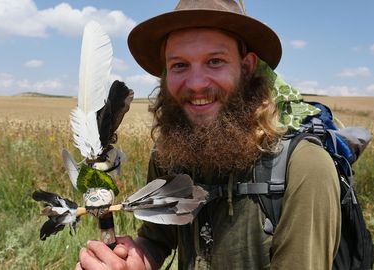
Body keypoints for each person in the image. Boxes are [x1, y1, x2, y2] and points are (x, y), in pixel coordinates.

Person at [76, 0, 341, 269]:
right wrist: (136, 260)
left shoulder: (303, 167)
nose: (196, 83)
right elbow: (158, 238)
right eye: (179, 65)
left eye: (215, 61)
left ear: (247, 67)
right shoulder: (170, 154)